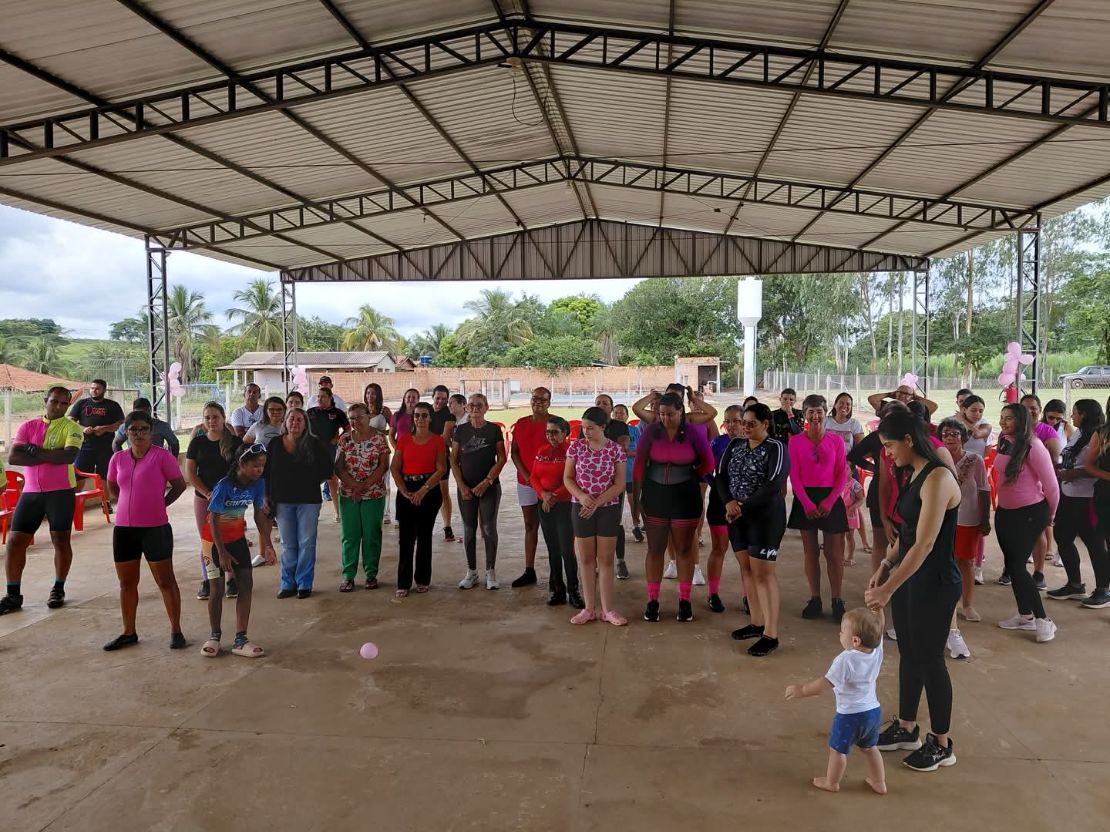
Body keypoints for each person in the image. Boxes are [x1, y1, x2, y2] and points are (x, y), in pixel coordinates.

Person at [865, 409, 962, 772]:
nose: (887, 453)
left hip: (935, 583)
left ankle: (941, 743)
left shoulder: (938, 477)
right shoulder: (913, 473)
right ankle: (907, 728)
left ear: (909, 440)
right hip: (910, 579)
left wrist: (887, 589)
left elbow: (924, 545)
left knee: (930, 660)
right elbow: (905, 536)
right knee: (910, 652)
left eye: (890, 445)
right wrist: (884, 566)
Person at [103, 410, 188, 650]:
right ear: (126, 432)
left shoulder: (162, 456)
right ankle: (128, 632)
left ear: (151, 432)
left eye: (144, 429)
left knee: (165, 581)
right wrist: (126, 503)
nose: (139, 434)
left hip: (155, 527)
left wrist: (160, 504)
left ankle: (176, 631)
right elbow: (112, 486)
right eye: (134, 429)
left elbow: (179, 485)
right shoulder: (117, 459)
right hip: (124, 529)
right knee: (127, 583)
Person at [785, 607, 887, 794]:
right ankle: (879, 782)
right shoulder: (876, 651)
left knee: (838, 751)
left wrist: (802, 690)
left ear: (855, 641)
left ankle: (831, 782)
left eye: (842, 631)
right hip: (873, 712)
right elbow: (880, 627)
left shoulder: (846, 660)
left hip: (849, 716)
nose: (839, 634)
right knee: (870, 748)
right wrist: (879, 611)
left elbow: (826, 682)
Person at [1, 386, 84, 615]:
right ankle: (13, 594)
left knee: (61, 540)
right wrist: (50, 454)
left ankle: (58, 587)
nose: (58, 406)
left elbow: (68, 456)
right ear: (45, 400)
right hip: (31, 493)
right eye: (54, 401)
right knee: (15, 541)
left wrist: (34, 451)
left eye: (63, 403)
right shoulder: (28, 426)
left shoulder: (72, 428)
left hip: (61, 492)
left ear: (68, 405)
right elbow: (15, 457)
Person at [634, 391, 715, 622]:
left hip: (685, 496)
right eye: (661, 414)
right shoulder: (651, 431)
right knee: (655, 548)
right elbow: (639, 463)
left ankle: (685, 601)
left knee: (684, 549)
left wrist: (692, 476)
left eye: (670, 414)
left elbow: (709, 462)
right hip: (655, 495)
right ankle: (652, 601)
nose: (665, 418)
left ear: (681, 412)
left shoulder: (693, 431)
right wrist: (637, 498)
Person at [718, 402, 790, 657]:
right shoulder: (735, 445)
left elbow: (774, 484)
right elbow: (721, 476)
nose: (745, 427)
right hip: (736, 517)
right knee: (747, 569)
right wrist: (729, 502)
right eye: (743, 423)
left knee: (763, 574)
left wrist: (742, 507)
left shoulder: (776, 448)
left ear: (765, 424)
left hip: (765, 518)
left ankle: (771, 634)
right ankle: (757, 622)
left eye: (751, 423)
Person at [199, 444, 276, 657]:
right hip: (213, 542)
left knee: (246, 585)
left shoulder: (258, 484)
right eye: (255, 465)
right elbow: (213, 519)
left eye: (262, 465)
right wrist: (222, 552)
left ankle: (241, 639)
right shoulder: (223, 485)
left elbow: (259, 515)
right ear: (242, 464)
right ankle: (214, 636)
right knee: (216, 589)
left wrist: (267, 544)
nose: (260, 470)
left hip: (237, 539)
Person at [993, 403, 1060, 642]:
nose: (1003, 422)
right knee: (1012, 565)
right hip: (1005, 511)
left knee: (1018, 566)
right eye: (1002, 417)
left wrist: (1051, 516)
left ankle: (1043, 620)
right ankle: (1025, 616)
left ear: (1021, 421)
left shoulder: (1035, 446)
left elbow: (1052, 486)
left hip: (1030, 512)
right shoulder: (1005, 440)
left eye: (1009, 418)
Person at [563, 406, 627, 625]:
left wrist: (597, 502)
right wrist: (582, 497)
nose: (586, 432)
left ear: (602, 427)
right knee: (586, 558)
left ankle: (608, 610)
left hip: (608, 508)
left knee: (606, 559)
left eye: (590, 428)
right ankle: (589, 608)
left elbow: (619, 483)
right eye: (583, 428)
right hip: (581, 508)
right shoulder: (576, 447)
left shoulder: (615, 450)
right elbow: (568, 478)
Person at [789, 394, 850, 622]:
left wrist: (829, 501)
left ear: (826, 413)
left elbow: (842, 474)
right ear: (804, 414)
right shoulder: (795, 441)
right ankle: (815, 598)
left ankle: (837, 599)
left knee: (834, 554)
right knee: (811, 552)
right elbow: (794, 476)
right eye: (810, 412)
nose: (815, 416)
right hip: (805, 498)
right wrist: (806, 503)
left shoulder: (836, 441)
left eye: (819, 412)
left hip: (830, 498)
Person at [266, 408, 334, 599]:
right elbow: (266, 471)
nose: (295, 422)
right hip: (282, 501)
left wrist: (309, 482)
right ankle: (288, 584)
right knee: (288, 543)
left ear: (305, 425)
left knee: (306, 542)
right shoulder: (275, 444)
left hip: (308, 500)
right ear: (285, 422)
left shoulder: (314, 443)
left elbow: (327, 469)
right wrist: (265, 495)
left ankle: (304, 583)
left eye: (299, 420)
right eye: (291, 419)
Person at [1047, 399, 1109, 607]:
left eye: (1075, 412)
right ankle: (1074, 584)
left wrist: (1075, 473)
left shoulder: (1098, 435)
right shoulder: (1078, 433)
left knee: (1094, 543)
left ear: (1084, 414)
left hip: (1087, 497)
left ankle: (1103, 589)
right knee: (1062, 537)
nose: (1071, 416)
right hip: (1069, 494)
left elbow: (1097, 466)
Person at [185, 402, 243, 601]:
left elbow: (242, 470)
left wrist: (230, 492)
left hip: (230, 498)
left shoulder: (235, 442)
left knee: (230, 538)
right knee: (207, 540)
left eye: (215, 417)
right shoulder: (197, 443)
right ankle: (209, 579)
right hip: (204, 498)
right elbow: (191, 473)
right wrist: (207, 493)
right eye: (207, 417)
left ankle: (231, 579)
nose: (211, 421)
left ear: (223, 418)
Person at [938, 418, 990, 633]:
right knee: (944, 561)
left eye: (955, 434)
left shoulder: (975, 460)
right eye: (945, 434)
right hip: (942, 518)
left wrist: (985, 518)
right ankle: (945, 601)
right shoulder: (937, 459)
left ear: (963, 437)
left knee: (966, 562)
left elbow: (984, 490)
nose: (950, 438)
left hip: (968, 518)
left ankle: (967, 604)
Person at [390, 402, 446, 596]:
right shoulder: (404, 440)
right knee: (405, 539)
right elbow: (394, 468)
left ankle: (422, 579)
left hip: (429, 490)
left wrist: (423, 490)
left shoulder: (437, 441)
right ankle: (403, 582)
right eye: (416, 415)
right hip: (406, 489)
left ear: (430, 418)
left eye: (424, 415)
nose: (420, 419)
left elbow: (441, 469)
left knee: (424, 536)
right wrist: (403, 490)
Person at [450, 393, 506, 590]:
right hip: (466, 488)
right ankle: (471, 571)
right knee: (469, 528)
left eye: (479, 405)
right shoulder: (460, 430)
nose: (475, 408)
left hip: (489, 487)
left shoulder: (494, 430)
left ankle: (490, 571)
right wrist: (461, 485)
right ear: (467, 408)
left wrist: (487, 481)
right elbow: (453, 460)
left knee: (489, 528)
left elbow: (502, 458)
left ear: (486, 407)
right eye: (472, 405)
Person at [336, 403, 391, 592]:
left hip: (374, 494)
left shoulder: (379, 438)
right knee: (350, 536)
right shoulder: (345, 439)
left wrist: (364, 485)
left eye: (359, 417)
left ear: (368, 417)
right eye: (351, 418)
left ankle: (371, 575)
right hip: (348, 494)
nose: (355, 421)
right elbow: (338, 467)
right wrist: (354, 486)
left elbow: (384, 466)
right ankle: (348, 576)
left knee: (371, 535)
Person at [531, 416, 581, 608]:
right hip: (545, 504)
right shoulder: (542, 451)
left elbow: (573, 479)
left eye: (555, 432)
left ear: (565, 433)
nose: (550, 436)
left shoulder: (571, 452)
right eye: (548, 432)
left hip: (564, 505)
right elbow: (534, 476)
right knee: (553, 549)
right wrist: (543, 495)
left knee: (567, 549)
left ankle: (573, 590)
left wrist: (553, 496)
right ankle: (557, 589)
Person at [508, 387, 552, 588]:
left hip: (549, 485)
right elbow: (515, 452)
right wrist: (527, 476)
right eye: (535, 398)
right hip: (525, 483)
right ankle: (529, 570)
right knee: (530, 525)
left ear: (549, 403)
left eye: (543, 399)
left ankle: (556, 572)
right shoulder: (521, 423)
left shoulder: (555, 423)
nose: (538, 402)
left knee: (552, 528)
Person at [705, 405, 744, 612]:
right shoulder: (717, 443)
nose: (731, 425)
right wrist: (718, 489)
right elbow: (704, 469)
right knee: (719, 548)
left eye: (736, 421)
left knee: (745, 553)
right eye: (728, 421)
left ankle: (748, 596)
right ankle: (713, 594)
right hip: (719, 503)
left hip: (745, 505)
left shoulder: (752, 443)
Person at [594, 393, 633, 580]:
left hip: (614, 482)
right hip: (592, 482)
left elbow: (622, 447)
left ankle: (620, 560)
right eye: (598, 403)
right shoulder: (588, 425)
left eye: (605, 403)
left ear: (611, 407)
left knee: (614, 521)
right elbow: (582, 449)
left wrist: (598, 449)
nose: (601, 405)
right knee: (592, 521)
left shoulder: (619, 426)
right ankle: (596, 561)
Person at [69, 379, 125, 493]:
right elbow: (70, 421)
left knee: (106, 475)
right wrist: (83, 428)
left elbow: (121, 424)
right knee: (79, 474)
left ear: (104, 390)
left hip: (106, 447)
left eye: (97, 389)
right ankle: (75, 500)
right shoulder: (81, 403)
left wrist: (105, 429)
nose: (94, 391)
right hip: (85, 446)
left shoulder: (113, 405)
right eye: (92, 388)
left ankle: (106, 500)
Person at [307, 388, 349, 523]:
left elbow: (348, 429)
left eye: (323, 396)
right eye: (318, 396)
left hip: (330, 450)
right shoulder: (311, 412)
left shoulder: (338, 413)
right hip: (313, 451)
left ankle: (338, 513)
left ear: (330, 398)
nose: (320, 399)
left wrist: (339, 438)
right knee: (312, 482)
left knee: (332, 481)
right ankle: (312, 514)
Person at [1085, 409, 1110, 608]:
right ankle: (1103, 588)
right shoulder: (1102, 433)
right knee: (1102, 544)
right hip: (1106, 496)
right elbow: (1089, 465)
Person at [430, 385, 457, 541]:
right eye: (437, 398)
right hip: (424, 458)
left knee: (443, 493)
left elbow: (444, 438)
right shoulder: (425, 411)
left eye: (443, 399)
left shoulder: (449, 414)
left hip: (441, 457)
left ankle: (447, 526)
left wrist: (425, 442)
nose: (440, 401)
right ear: (433, 397)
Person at [614, 403, 644, 545]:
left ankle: (636, 526)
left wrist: (629, 453)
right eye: (616, 413)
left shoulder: (634, 431)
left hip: (631, 472)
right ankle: (615, 529)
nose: (619, 415)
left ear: (627, 416)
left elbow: (641, 451)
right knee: (616, 504)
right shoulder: (610, 430)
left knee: (634, 502)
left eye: (621, 413)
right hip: (616, 475)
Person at [364, 382, 394, 523]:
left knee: (384, 480)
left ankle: (386, 512)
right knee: (367, 478)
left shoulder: (384, 411)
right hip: (365, 448)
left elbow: (393, 428)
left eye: (373, 393)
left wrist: (379, 432)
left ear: (378, 395)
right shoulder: (362, 410)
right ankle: (370, 509)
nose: (370, 396)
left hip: (381, 448)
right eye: (368, 393)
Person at [111, 397, 180, 456]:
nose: (142, 416)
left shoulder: (161, 426)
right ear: (134, 412)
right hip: (134, 462)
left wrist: (173, 460)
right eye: (138, 413)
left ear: (150, 410)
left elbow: (174, 444)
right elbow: (116, 443)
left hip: (156, 461)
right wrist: (122, 459)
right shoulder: (126, 426)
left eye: (144, 413)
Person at [867, 384, 938, 417]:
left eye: (907, 394)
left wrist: (916, 397)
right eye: (900, 392)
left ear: (912, 397)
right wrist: (888, 394)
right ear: (895, 393)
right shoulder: (888, 406)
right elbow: (872, 399)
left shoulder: (916, 409)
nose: (903, 395)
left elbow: (934, 406)